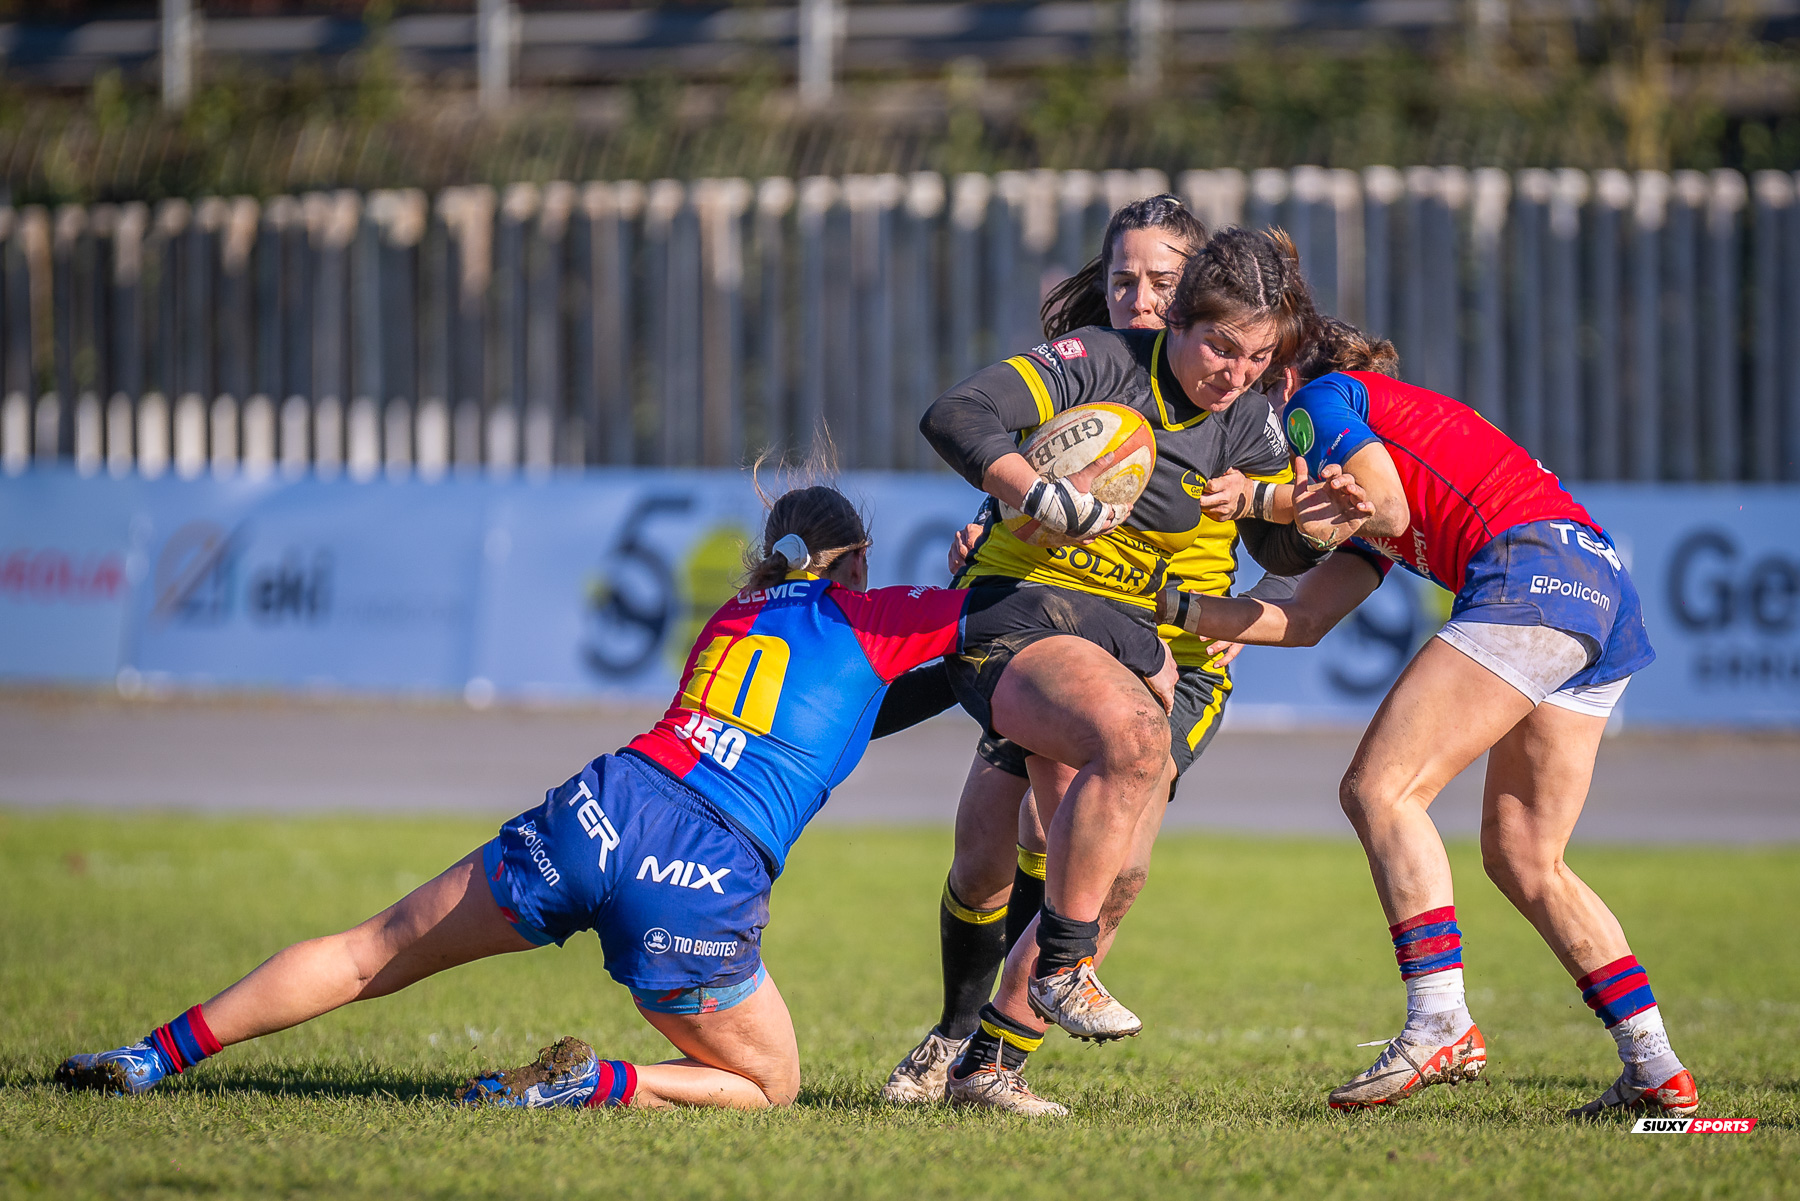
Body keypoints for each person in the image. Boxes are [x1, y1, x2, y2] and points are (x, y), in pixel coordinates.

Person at [55, 477, 1173, 1111]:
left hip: (605, 800)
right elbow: (1010, 621)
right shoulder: (870, 618)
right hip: (702, 864)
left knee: (369, 946)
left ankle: (154, 1055)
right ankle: (594, 1084)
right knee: (771, 1085)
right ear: (851, 565)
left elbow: (855, 710)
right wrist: (1102, 587)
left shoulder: (729, 618)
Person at [1158, 318, 1698, 1118]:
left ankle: (1441, 1019)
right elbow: (1306, 616)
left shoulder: (1319, 397)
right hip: (1596, 584)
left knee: (1380, 790)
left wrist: (1260, 494)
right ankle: (1658, 1071)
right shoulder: (1373, 468)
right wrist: (1173, 608)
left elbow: (1382, 499)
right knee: (1526, 856)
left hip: (1530, 569)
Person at [910, 225, 1367, 1115]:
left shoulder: (1248, 414)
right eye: (1221, 348)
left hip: (1150, 646)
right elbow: (957, 413)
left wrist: (1302, 515)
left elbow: (1275, 541)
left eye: (1258, 356)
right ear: (1182, 322)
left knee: (1118, 871)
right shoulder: (1102, 360)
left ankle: (988, 1068)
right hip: (1027, 610)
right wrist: (1031, 492)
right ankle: (1051, 975)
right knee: (1074, 780)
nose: (1236, 372)